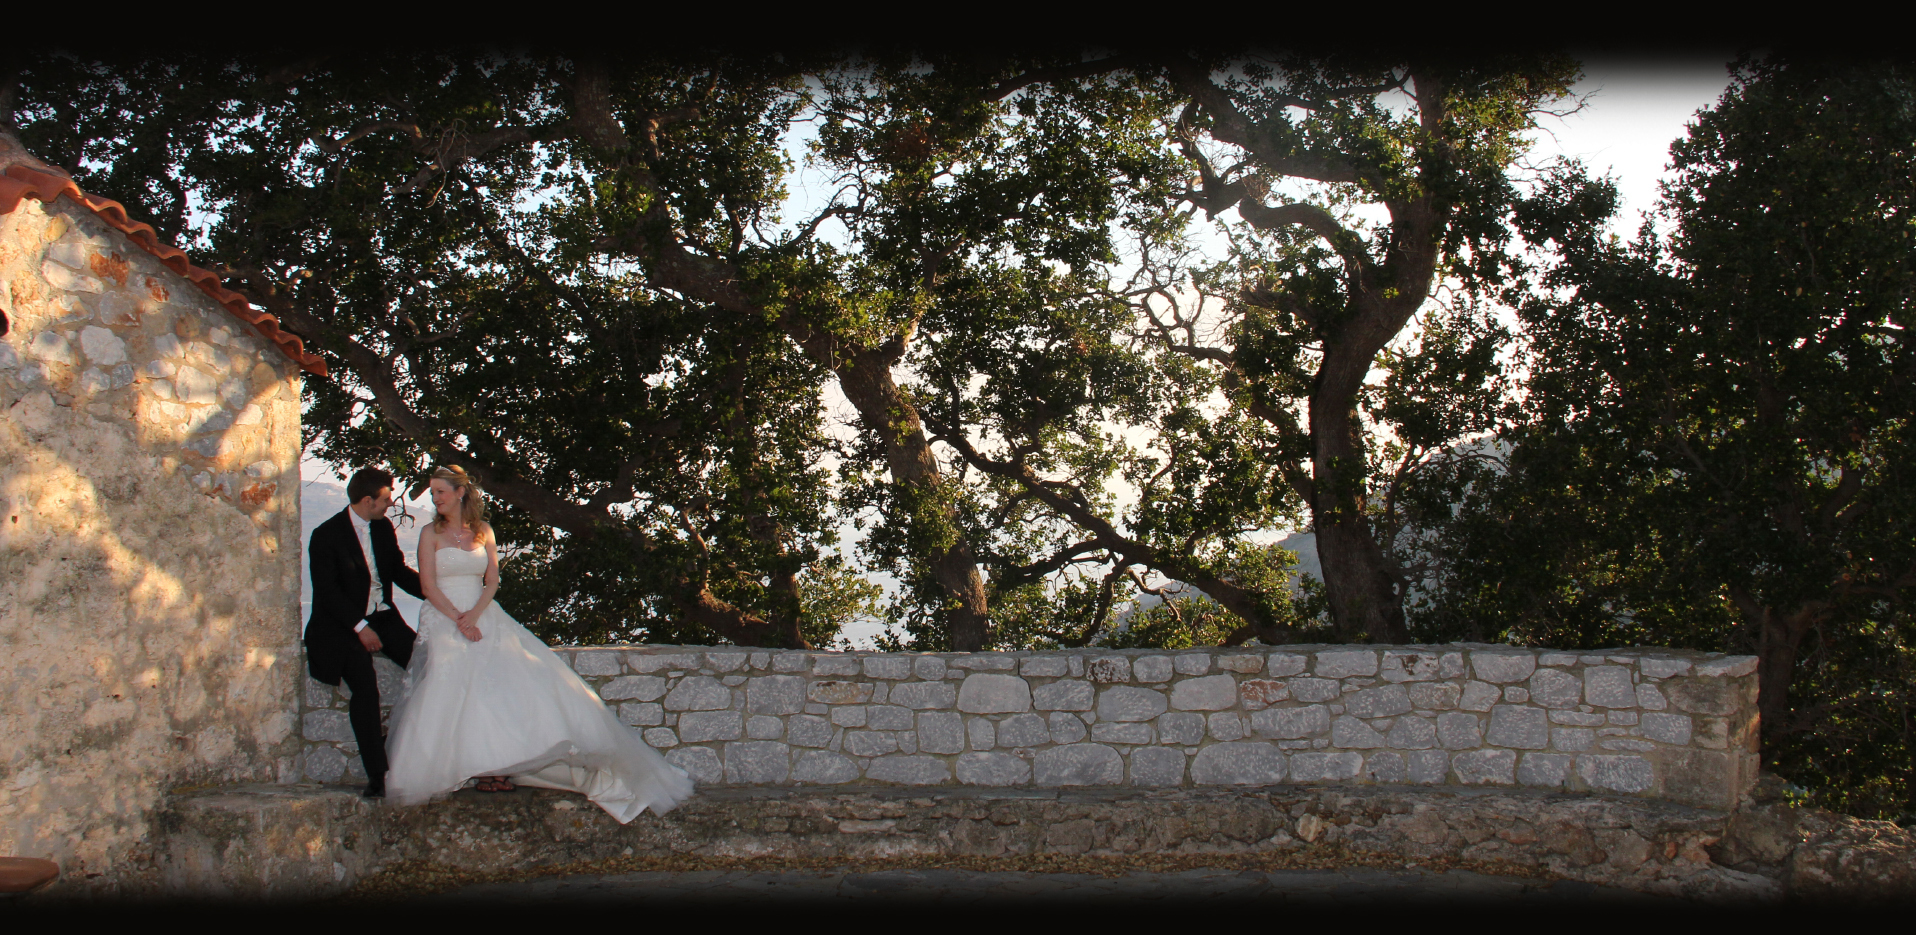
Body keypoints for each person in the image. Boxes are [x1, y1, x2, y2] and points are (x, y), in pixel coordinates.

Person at [384, 465, 693, 822]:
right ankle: (475, 768)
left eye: (440, 491)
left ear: (460, 493)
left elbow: (492, 580)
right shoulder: (430, 533)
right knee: (452, 689)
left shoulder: (483, 530)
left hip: (483, 614)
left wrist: (476, 615)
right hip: (444, 618)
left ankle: (498, 766)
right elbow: (427, 586)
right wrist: (458, 620)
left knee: (497, 691)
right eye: (433, 491)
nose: (435, 497)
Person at [305, 467, 423, 799]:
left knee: (425, 663)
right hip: (341, 625)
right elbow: (328, 592)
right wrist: (361, 627)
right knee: (365, 687)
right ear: (368, 500)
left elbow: (397, 571)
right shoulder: (325, 535)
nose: (391, 504)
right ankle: (377, 775)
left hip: (382, 616)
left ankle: (415, 749)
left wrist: (437, 595)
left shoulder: (383, 527)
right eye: (386, 499)